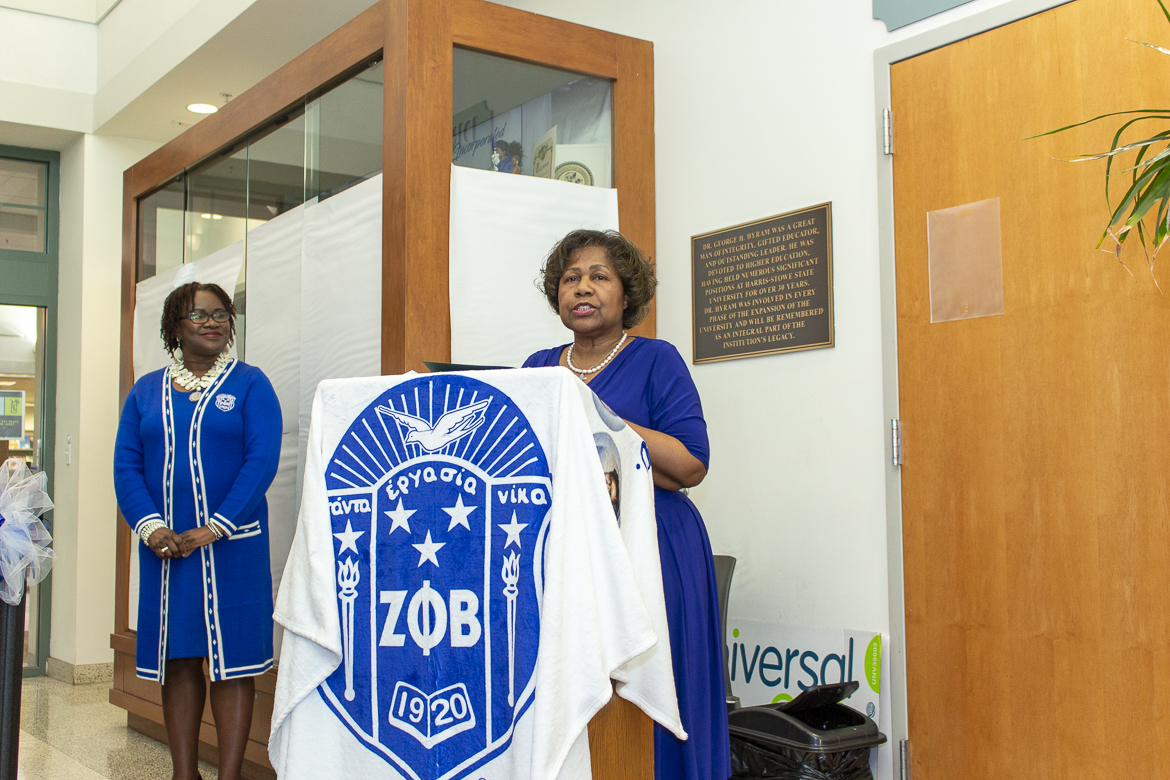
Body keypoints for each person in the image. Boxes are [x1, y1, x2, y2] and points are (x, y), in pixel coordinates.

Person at [523, 230, 732, 780]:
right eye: (570, 278)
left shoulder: (656, 360)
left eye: (599, 276)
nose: (582, 288)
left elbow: (690, 465)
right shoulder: (538, 367)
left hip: (654, 549)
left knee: (649, 702)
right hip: (568, 554)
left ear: (625, 293)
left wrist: (600, 421)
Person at [114, 282, 282, 780]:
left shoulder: (251, 384)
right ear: (174, 328)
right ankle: (183, 773)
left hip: (233, 549)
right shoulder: (146, 391)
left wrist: (214, 528)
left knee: (233, 664)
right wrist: (151, 528)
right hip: (168, 552)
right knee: (181, 657)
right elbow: (127, 465)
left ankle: (229, 774)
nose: (213, 322)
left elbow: (261, 461)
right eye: (198, 314)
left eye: (221, 314)